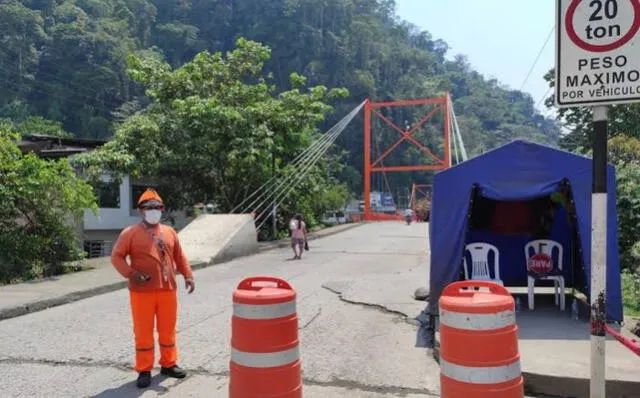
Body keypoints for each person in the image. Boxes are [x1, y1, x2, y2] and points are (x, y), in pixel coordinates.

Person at [111, 188, 196, 389]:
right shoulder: (130, 233)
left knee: (168, 329)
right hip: (141, 292)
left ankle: (168, 364)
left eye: (157, 207)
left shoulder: (170, 232)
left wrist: (188, 275)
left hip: (168, 289)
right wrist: (131, 274)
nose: (154, 210)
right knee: (143, 331)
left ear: (162, 209)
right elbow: (116, 257)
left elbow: (179, 256)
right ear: (141, 210)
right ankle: (144, 369)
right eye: (149, 207)